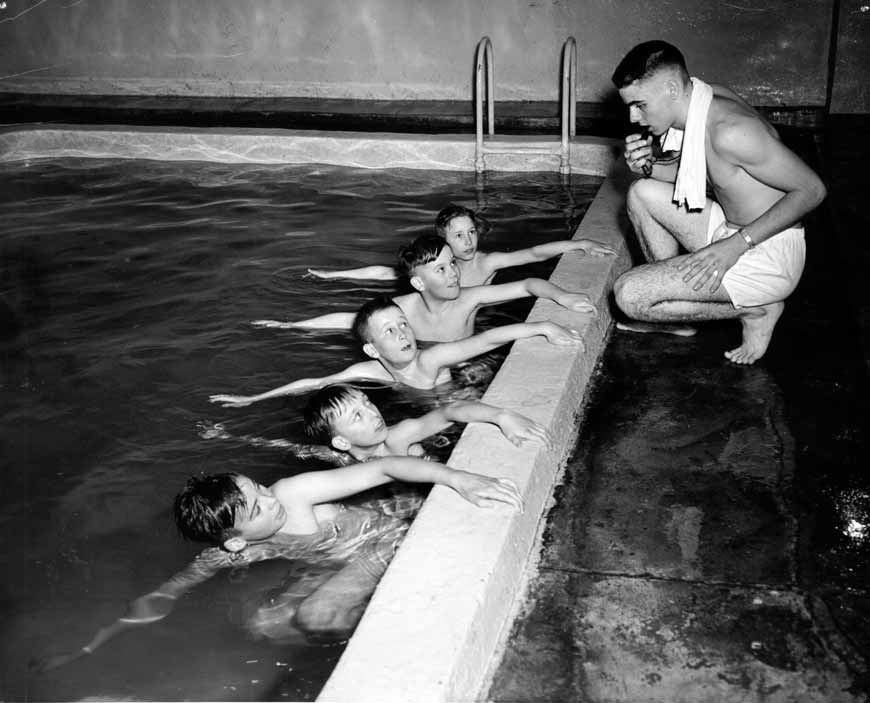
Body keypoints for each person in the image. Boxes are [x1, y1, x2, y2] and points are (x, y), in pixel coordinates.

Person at [34, 456, 522, 670]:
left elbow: (383, 468)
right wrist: (96, 641)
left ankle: (407, 625)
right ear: (234, 543)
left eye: (258, 489)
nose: (270, 499)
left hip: (384, 537)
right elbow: (170, 590)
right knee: (259, 622)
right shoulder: (240, 551)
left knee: (314, 616)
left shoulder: (296, 494)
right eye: (257, 507)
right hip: (341, 561)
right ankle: (369, 617)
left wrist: (458, 478)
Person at [611, 40, 826, 364]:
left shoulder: (731, 131)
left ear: (671, 88)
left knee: (629, 296)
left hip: (765, 252)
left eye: (640, 104)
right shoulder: (704, 101)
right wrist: (648, 165)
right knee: (642, 192)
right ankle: (676, 315)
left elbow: (812, 190)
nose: (634, 116)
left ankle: (757, 310)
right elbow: (696, 174)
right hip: (729, 229)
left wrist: (735, 246)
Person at [210, 295, 582, 407]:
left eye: (403, 323)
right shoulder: (371, 372)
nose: (404, 332)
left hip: (463, 397)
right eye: (390, 331)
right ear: (373, 350)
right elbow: (314, 382)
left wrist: (543, 327)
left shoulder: (431, 358)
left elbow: (485, 340)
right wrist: (251, 399)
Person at [254, 233, 598, 342]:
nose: (453, 274)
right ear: (418, 282)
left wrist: (561, 296)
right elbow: (348, 318)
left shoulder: (470, 298)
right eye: (441, 269)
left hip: (467, 368)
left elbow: (527, 284)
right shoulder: (401, 307)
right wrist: (289, 326)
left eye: (452, 265)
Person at [306, 203, 614, 287]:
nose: (468, 242)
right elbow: (383, 273)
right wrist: (331, 277)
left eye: (471, 232)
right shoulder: (434, 267)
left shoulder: (486, 262)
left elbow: (533, 253)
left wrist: (579, 243)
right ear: (443, 241)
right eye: (458, 236)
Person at [302, 383, 550, 462]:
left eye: (367, 402)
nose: (373, 413)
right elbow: (312, 449)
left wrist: (502, 416)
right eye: (357, 416)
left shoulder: (399, 436)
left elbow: (450, 411)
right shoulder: (340, 458)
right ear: (342, 442)